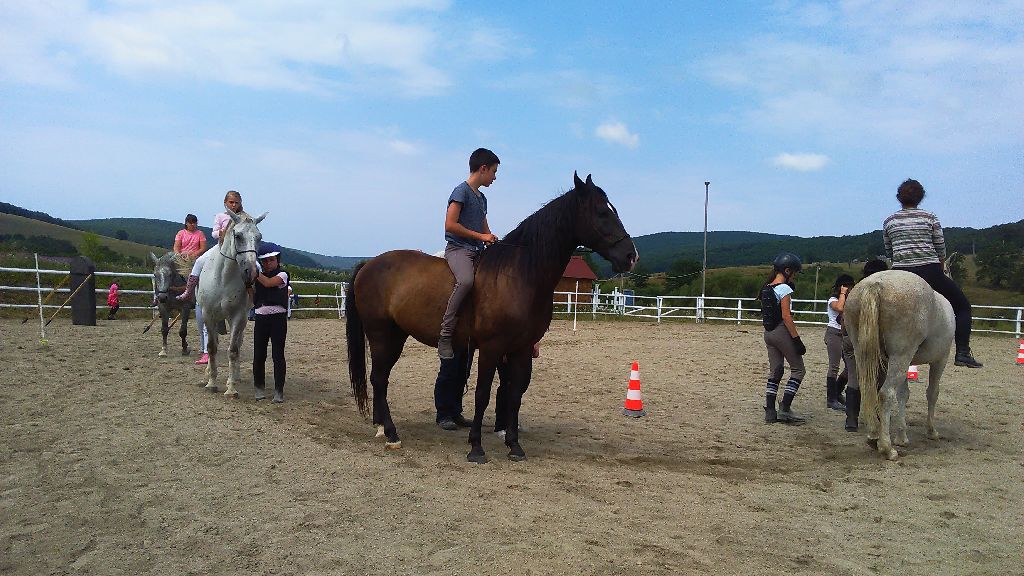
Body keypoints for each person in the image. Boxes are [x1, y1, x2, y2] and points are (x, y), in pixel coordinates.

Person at [883, 179, 982, 368]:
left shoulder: (889, 221)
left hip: (899, 272)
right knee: (962, 307)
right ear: (920, 197)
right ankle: (962, 352)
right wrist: (940, 264)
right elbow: (940, 248)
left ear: (899, 198)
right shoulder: (930, 218)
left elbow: (889, 251)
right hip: (929, 270)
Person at [438, 148, 500, 359]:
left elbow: (484, 228)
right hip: (459, 250)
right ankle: (445, 334)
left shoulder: (482, 199)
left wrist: (490, 238)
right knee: (465, 281)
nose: (494, 177)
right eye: (493, 171)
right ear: (483, 169)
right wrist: (481, 237)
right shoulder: (460, 192)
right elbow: (449, 225)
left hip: (478, 250)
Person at [759, 253, 807, 424]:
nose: (794, 276)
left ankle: (770, 411)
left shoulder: (766, 287)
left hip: (768, 333)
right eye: (793, 272)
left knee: (776, 371)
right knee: (798, 370)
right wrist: (796, 339)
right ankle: (785, 409)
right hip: (780, 332)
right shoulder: (784, 289)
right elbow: (786, 316)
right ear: (787, 271)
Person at [842, 259, 888, 432]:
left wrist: (845, 338)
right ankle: (875, 416)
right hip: (878, 341)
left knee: (854, 377)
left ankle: (851, 420)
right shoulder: (886, 294)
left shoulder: (855, 291)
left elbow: (844, 321)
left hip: (851, 339)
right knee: (880, 377)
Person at [177, 190, 245, 302]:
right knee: (199, 262)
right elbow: (214, 234)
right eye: (231, 202)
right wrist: (221, 233)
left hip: (239, 249)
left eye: (236, 203)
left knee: (256, 266)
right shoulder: (220, 216)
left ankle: (256, 292)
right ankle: (189, 291)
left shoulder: (243, 217)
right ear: (225, 202)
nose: (234, 205)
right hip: (221, 247)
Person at [252, 242, 289, 403]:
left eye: (271, 260)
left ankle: (278, 391)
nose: (268, 263)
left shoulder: (283, 275)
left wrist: (253, 271)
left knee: (277, 355)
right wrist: (248, 284)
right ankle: (259, 388)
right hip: (260, 316)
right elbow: (252, 298)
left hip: (278, 318)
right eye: (264, 261)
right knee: (259, 355)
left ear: (277, 260)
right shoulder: (258, 278)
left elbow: (268, 283)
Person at [823, 274, 855, 411]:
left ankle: (837, 391)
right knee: (834, 366)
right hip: (834, 333)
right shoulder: (833, 299)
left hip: (845, 334)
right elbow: (840, 308)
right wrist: (842, 293)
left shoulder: (850, 300)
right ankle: (831, 399)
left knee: (850, 367)